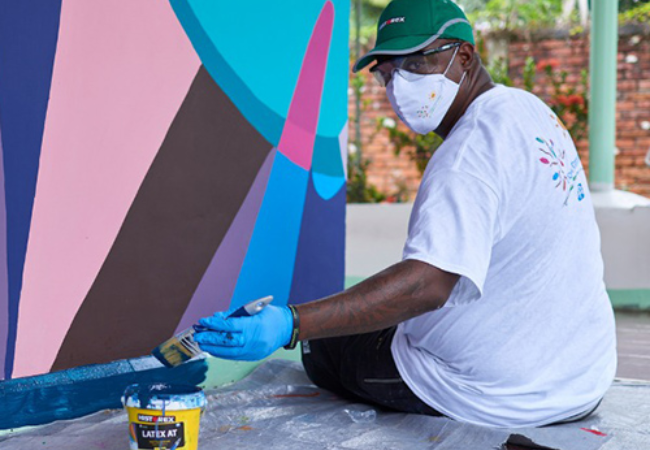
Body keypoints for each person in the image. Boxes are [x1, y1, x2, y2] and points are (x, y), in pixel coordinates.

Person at [193, 0, 616, 428]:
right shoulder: (525, 110)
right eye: (388, 72)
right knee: (370, 315)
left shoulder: (466, 156)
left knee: (321, 349)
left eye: (416, 63)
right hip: (581, 374)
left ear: (464, 56)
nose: (400, 85)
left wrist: (291, 323)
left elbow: (428, 285)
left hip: (499, 393)